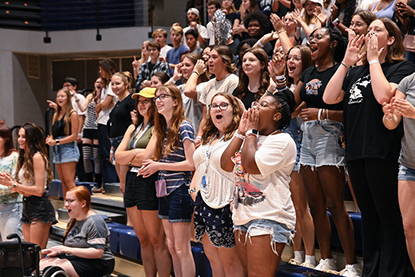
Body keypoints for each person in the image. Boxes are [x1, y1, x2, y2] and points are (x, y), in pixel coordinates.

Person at [323, 18, 415, 277]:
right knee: (370, 218)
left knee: (388, 217)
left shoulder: (401, 68)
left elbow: (384, 96)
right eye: (369, 29)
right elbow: (329, 98)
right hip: (355, 150)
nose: (370, 33)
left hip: (383, 150)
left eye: (377, 30)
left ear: (391, 39)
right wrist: (346, 62)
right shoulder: (355, 70)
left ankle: (394, 271)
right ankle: (372, 271)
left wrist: (374, 60)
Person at [291, 27, 360, 275]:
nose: (313, 39)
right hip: (307, 136)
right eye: (312, 37)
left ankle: (352, 264)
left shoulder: (342, 71)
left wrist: (322, 113)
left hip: (331, 134)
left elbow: (352, 112)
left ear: (333, 44)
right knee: (316, 204)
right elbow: (295, 103)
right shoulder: (309, 72)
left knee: (334, 204)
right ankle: (327, 259)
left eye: (319, 36)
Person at [220, 90, 297, 276]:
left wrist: (251, 132)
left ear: (276, 116)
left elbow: (251, 165)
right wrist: (240, 132)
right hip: (242, 216)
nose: (255, 107)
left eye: (263, 105)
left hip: (269, 216)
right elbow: (225, 164)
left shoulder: (282, 140)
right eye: (256, 103)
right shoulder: (249, 138)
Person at [131, 85, 196, 277]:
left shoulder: (184, 126)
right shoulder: (162, 128)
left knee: (182, 248)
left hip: (179, 189)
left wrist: (158, 166)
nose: (158, 100)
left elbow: (191, 164)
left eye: (163, 97)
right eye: (157, 97)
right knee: (171, 246)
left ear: (175, 101)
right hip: (164, 189)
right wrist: (154, 165)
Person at [269, 45, 316, 268]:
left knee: (300, 207)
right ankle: (297, 253)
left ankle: (310, 256)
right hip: (281, 153)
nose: (290, 61)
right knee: (289, 207)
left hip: (299, 151)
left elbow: (289, 109)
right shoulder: (282, 86)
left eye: (296, 58)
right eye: (289, 57)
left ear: (305, 62)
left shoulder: (305, 88)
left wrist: (278, 80)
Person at [115, 87, 171, 277]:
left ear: (155, 103)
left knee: (157, 240)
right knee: (143, 239)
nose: (141, 104)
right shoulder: (133, 127)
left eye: (146, 101)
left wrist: (127, 157)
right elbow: (117, 156)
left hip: (148, 179)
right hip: (132, 179)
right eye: (139, 101)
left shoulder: (159, 126)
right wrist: (133, 156)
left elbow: (149, 156)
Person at [189, 93, 244, 277]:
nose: (218, 109)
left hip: (226, 203)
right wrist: (193, 188)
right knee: (212, 259)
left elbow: (243, 170)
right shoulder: (207, 136)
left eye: (223, 105)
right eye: (214, 106)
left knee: (230, 263)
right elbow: (199, 166)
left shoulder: (239, 136)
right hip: (204, 202)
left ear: (234, 110)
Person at [0, 123, 56, 250]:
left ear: (32, 138)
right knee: (27, 255)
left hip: (39, 207)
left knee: (36, 253)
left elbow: (39, 190)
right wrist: (13, 186)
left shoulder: (37, 157)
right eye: (19, 136)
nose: (19, 139)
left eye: (24, 137)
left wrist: (13, 184)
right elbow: (24, 190)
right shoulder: (25, 156)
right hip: (27, 205)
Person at [40, 186, 115, 277]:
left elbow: (98, 252)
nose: (66, 204)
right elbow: (72, 247)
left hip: (100, 262)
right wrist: (58, 251)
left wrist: (67, 249)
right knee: (40, 264)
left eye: (70, 201)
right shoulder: (73, 220)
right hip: (78, 258)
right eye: (66, 200)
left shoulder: (95, 221)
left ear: (83, 203)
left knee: (56, 268)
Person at [383, 71, 415, 270]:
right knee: (409, 229)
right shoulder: (408, 81)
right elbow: (392, 123)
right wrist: (388, 115)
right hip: (409, 163)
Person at [197, 45, 239, 146]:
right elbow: (205, 117)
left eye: (214, 57)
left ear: (225, 61)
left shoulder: (233, 81)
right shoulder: (208, 84)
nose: (209, 61)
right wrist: (199, 137)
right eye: (209, 57)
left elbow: (233, 113)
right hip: (210, 134)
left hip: (227, 134)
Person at [46, 89, 79, 198]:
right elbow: (53, 132)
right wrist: (50, 139)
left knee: (70, 182)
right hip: (57, 149)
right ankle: (67, 205)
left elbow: (74, 136)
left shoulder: (73, 114)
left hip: (68, 148)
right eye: (58, 96)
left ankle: (75, 206)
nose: (60, 98)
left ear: (68, 98)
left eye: (62, 96)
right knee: (63, 182)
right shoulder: (56, 114)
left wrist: (57, 141)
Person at [108, 72, 136, 194]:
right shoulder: (118, 102)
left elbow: (135, 122)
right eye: (112, 84)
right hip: (115, 143)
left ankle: (131, 213)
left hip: (124, 143)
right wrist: (112, 148)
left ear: (126, 84)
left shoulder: (130, 100)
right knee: (122, 186)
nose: (115, 87)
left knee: (125, 186)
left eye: (118, 83)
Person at [168, 52, 209, 133]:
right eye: (182, 65)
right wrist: (174, 78)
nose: (183, 68)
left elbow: (189, 91)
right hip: (180, 135)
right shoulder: (182, 87)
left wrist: (196, 72)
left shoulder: (205, 86)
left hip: (195, 135)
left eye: (187, 65)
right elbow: (160, 93)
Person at [94, 58, 118, 192]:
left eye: (101, 69)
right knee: (102, 155)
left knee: (108, 153)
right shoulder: (105, 84)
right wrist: (100, 105)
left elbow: (105, 104)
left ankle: (111, 184)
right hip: (102, 121)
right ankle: (106, 184)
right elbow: (101, 104)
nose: (99, 71)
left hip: (108, 121)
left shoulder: (111, 84)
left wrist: (99, 106)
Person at [73, 77, 104, 184]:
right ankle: (89, 180)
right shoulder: (90, 96)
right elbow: (82, 109)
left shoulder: (104, 96)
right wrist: (77, 99)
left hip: (97, 127)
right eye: (97, 82)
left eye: (101, 82)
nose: (98, 84)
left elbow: (97, 112)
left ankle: (98, 180)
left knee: (96, 156)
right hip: (87, 128)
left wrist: (98, 98)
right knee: (86, 157)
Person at [0, 125, 23, 241]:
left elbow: (15, 184)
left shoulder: (15, 157)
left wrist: (7, 185)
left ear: (6, 139)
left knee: (10, 245)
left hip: (11, 206)